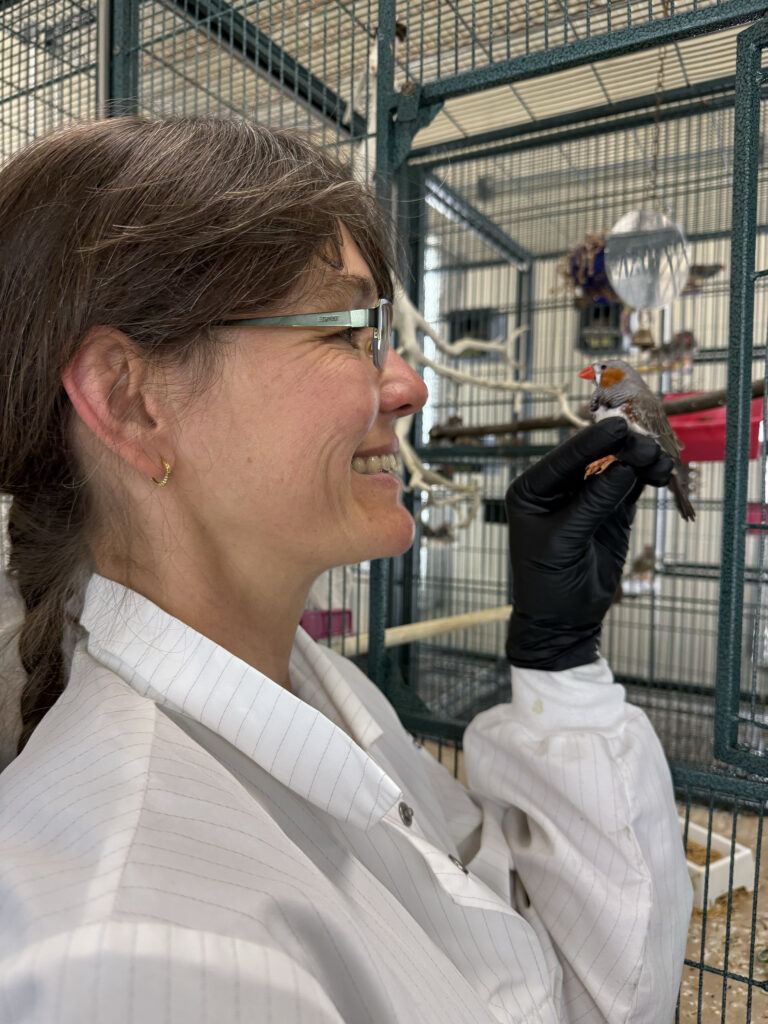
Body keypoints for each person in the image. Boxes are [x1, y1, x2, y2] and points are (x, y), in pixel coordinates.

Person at [0, 117, 691, 1024]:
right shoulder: (139, 957)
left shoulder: (313, 692)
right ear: (132, 402)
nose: (408, 385)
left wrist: (557, 657)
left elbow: (560, 991)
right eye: (346, 330)